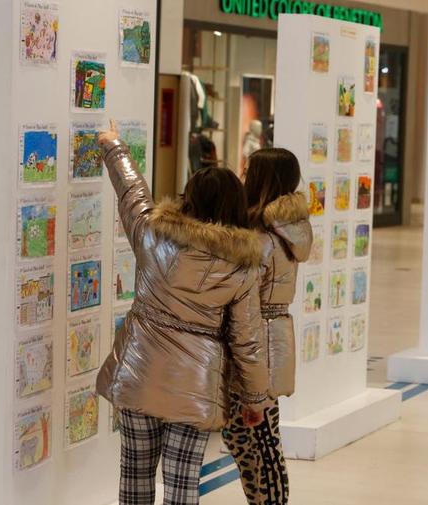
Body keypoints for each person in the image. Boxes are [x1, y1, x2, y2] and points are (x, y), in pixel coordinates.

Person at [95, 120, 269, 505]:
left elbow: (132, 192)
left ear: (189, 197)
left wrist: (114, 145)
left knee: (135, 473)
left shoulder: (153, 235)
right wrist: (255, 398)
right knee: (182, 482)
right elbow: (247, 339)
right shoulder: (243, 266)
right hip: (197, 385)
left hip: (138, 371)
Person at [222, 148, 312, 505]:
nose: (243, 173)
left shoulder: (262, 236)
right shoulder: (284, 230)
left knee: (258, 436)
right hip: (268, 334)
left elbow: (244, 291)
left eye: (250, 169)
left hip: (258, 338)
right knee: (251, 435)